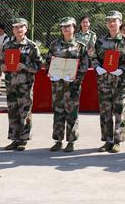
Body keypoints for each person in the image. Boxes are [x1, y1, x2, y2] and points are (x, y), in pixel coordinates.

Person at [92, 11, 125, 153]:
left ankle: (117, 141)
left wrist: (122, 70)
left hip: (120, 82)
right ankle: (108, 140)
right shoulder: (100, 41)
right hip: (104, 81)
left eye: (114, 20)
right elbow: (94, 57)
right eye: (109, 21)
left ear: (120, 22)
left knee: (119, 111)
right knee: (105, 111)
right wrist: (97, 67)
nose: (111, 23)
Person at [46, 17, 90, 153]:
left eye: (68, 26)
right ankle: (58, 140)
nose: (65, 29)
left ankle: (71, 141)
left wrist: (75, 79)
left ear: (74, 28)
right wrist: (52, 74)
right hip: (58, 85)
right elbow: (48, 62)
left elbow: (84, 66)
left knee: (72, 113)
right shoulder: (54, 45)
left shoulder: (80, 46)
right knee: (58, 112)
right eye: (63, 27)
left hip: (73, 86)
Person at [0, 18, 42, 151]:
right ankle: (14, 139)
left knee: (25, 112)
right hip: (11, 84)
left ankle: (24, 139)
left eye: (21, 27)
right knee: (13, 111)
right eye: (16, 27)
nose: (19, 29)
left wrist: (25, 66)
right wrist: (3, 66)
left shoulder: (31, 46)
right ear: (13, 30)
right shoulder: (7, 45)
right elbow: (0, 61)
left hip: (25, 85)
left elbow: (38, 65)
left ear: (26, 29)